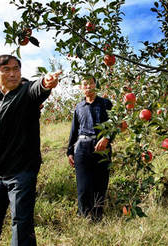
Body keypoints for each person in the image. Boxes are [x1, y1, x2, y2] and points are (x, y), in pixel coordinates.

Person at [0, 54, 61, 246]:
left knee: (21, 223)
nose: (13, 74)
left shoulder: (26, 91)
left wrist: (46, 82)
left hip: (22, 170)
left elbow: (39, 88)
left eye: (16, 69)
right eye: (7, 70)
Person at [67, 75, 113, 222]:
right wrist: (69, 151)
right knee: (83, 186)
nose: (88, 87)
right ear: (81, 88)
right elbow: (74, 130)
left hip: (102, 148)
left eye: (91, 83)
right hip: (82, 147)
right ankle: (84, 218)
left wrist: (107, 138)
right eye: (85, 84)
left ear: (96, 85)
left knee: (101, 183)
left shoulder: (106, 103)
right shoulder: (79, 107)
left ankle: (97, 217)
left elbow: (115, 123)